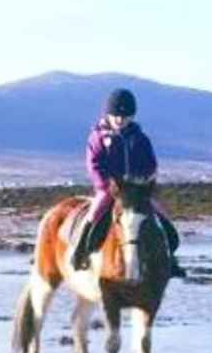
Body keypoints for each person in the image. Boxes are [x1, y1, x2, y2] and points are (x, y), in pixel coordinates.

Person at [73, 88, 185, 276]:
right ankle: (80, 252)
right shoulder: (97, 138)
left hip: (136, 192)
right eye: (116, 115)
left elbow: (150, 164)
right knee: (95, 214)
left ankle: (169, 259)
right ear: (108, 114)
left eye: (125, 117)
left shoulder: (140, 139)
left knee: (162, 220)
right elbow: (94, 165)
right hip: (110, 190)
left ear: (132, 116)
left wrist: (144, 182)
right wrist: (106, 185)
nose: (120, 120)